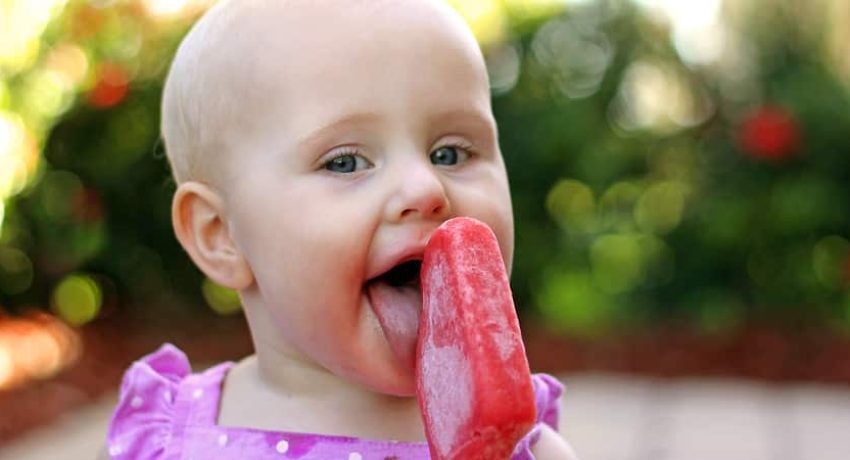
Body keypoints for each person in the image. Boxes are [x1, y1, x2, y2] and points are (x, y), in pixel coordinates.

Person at [102, 0, 579, 458]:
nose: (424, 188)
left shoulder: (523, 447)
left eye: (450, 153)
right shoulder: (169, 442)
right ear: (221, 234)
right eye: (346, 162)